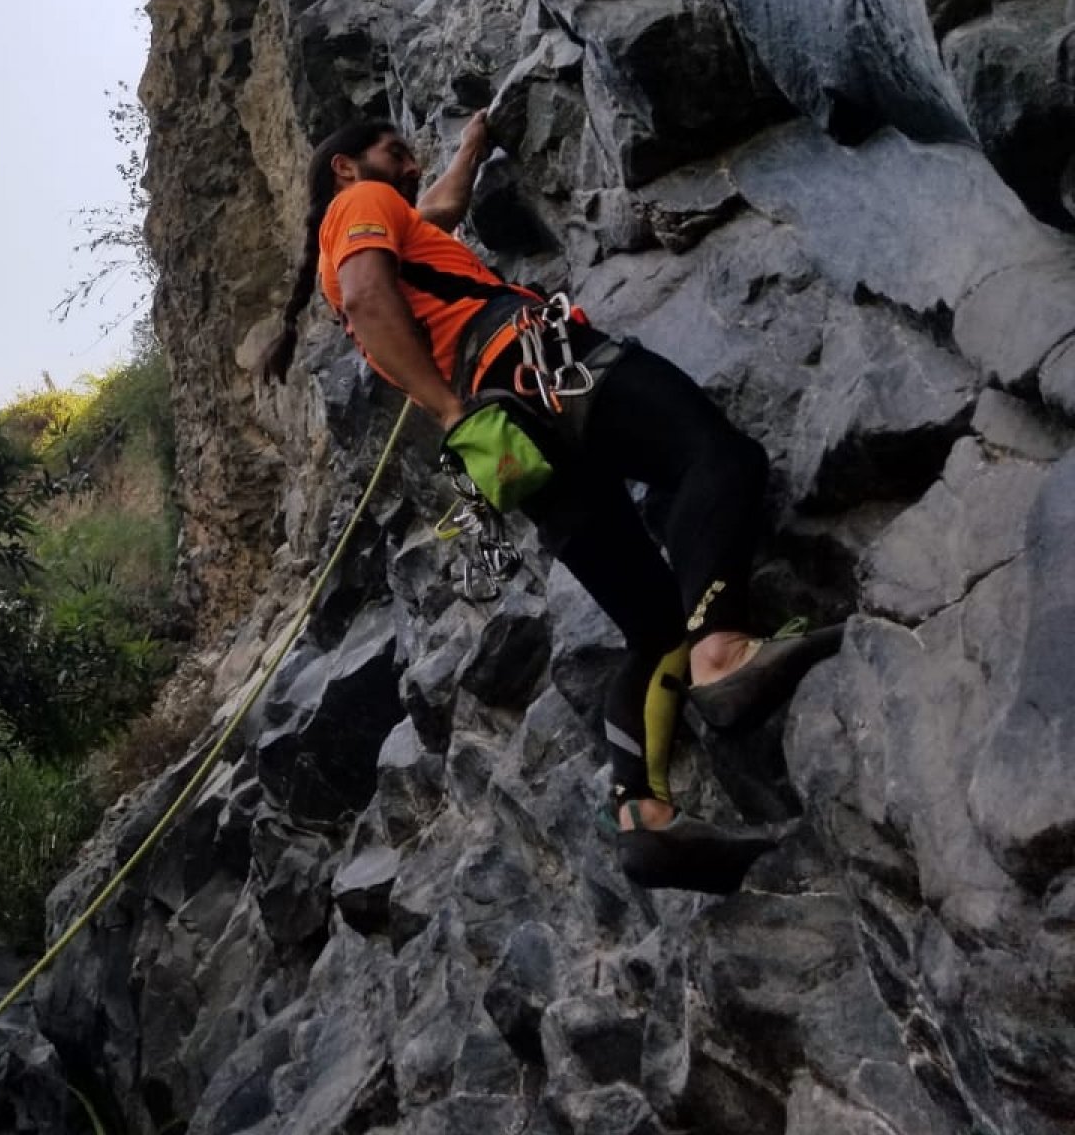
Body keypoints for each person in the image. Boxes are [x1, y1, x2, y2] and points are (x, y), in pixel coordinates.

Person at [259, 114, 842, 893]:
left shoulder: (388, 222)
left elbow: (436, 213)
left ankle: (644, 817)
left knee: (651, 627)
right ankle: (722, 655)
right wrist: (444, 408)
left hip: (513, 436)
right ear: (342, 168)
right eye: (394, 152)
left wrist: (472, 147)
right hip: (534, 364)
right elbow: (368, 296)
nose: (408, 165)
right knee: (717, 457)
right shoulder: (353, 209)